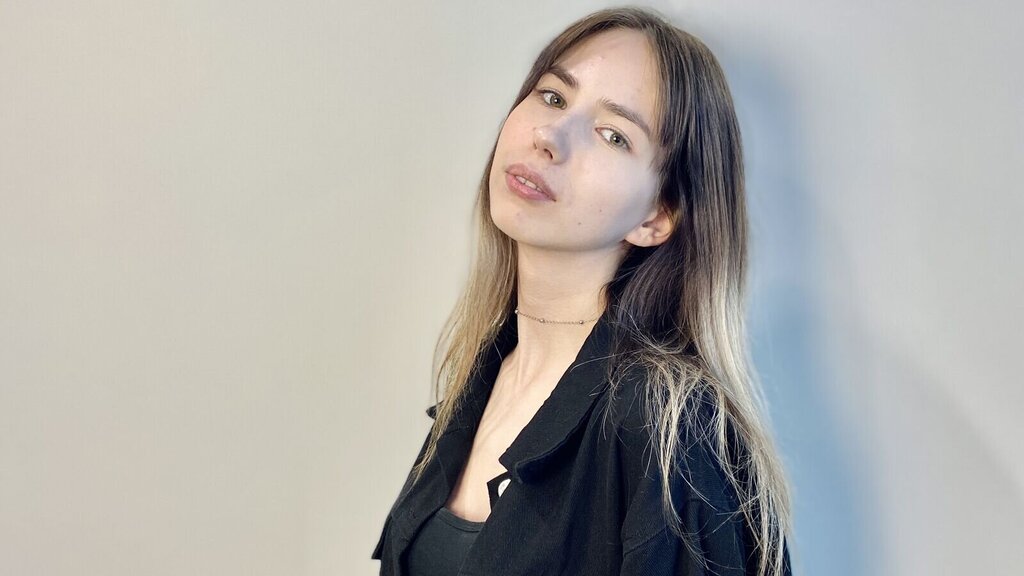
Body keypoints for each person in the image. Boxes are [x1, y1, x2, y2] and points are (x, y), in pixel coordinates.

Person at [371, 6, 794, 576]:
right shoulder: (483, 373)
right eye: (552, 96)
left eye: (614, 135)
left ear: (657, 217)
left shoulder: (666, 428)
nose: (550, 136)